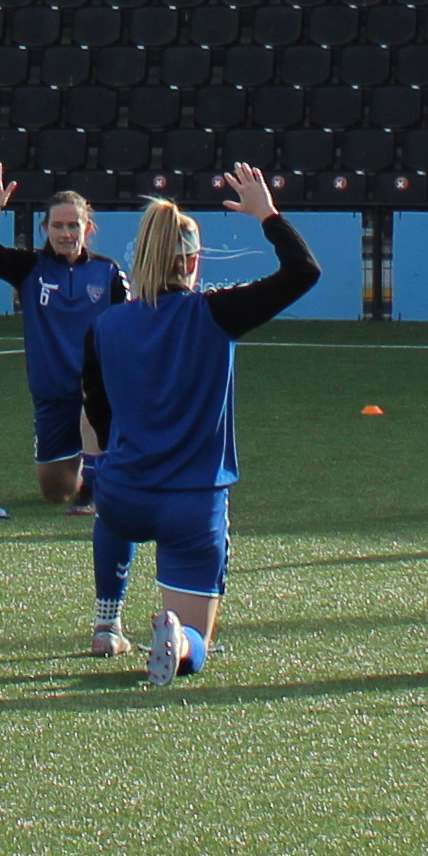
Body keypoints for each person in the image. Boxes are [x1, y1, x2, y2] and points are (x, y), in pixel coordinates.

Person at [72, 167, 323, 682]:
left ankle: (106, 621)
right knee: (197, 642)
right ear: (192, 260)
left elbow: (99, 415)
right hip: (191, 499)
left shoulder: (105, 326)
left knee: (111, 511)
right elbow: (304, 271)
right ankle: (178, 641)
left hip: (123, 494)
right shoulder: (216, 313)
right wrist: (267, 214)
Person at [0, 163, 122, 508]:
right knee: (54, 493)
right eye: (58, 225)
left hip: (96, 392)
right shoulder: (30, 267)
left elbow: (129, 324)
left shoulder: (108, 271)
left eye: (74, 225)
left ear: (88, 228)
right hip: (51, 394)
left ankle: (100, 479)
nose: (66, 233)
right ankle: (89, 470)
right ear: (45, 228)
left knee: (97, 424)